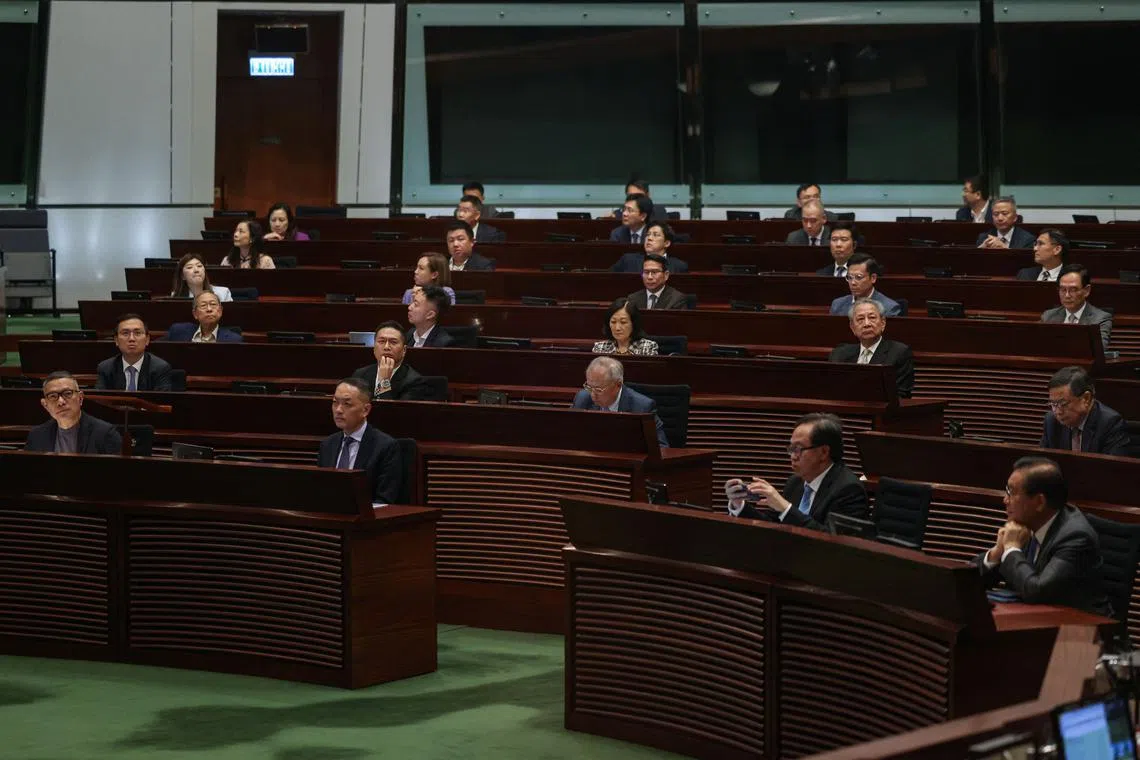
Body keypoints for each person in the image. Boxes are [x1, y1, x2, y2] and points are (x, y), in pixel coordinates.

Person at [976, 457, 1112, 617]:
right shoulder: (1025, 526)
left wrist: (1011, 549)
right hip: (1036, 620)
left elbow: (1038, 592)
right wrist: (997, 553)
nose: (1005, 500)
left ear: (1040, 502)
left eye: (1012, 492)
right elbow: (965, 582)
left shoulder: (1075, 537)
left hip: (1082, 627)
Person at [724, 413, 869, 531]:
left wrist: (786, 508)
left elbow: (834, 542)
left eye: (799, 449)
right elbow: (771, 526)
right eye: (791, 449)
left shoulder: (848, 489)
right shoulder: (795, 482)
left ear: (824, 452)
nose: (793, 456)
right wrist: (739, 505)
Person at [317, 377, 402, 504]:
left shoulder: (386, 447)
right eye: (335, 402)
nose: (338, 410)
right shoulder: (328, 445)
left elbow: (384, 500)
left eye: (347, 404)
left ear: (365, 410)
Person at [571, 356, 669, 449]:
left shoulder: (642, 407)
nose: (593, 395)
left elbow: (661, 448)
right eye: (589, 387)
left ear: (618, 385)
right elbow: (570, 435)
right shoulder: (582, 399)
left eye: (598, 390)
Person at [828, 299, 915, 398]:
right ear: (852, 327)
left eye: (872, 317)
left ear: (883, 323)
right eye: (860, 319)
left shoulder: (899, 353)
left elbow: (901, 395)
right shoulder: (839, 354)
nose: (867, 324)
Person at [25, 371, 122, 454]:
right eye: (53, 396)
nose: (61, 402)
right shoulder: (37, 436)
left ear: (80, 398)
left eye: (67, 393)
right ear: (45, 405)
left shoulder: (105, 434)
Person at [1040, 366, 1128, 456]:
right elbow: (1042, 461)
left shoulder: (1110, 424)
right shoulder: (1051, 421)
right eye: (1053, 404)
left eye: (1062, 404)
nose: (1057, 412)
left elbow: (1111, 464)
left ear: (1086, 398)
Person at [352, 321, 436, 401]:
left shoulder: (415, 382)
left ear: (404, 350)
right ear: (374, 348)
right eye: (381, 341)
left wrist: (384, 381)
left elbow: (392, 411)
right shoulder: (360, 374)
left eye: (393, 342)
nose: (386, 347)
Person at [1041, 264, 1113, 348]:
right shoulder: (1048, 317)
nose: (1067, 295)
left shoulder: (1100, 319)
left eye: (1073, 290)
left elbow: (1098, 349)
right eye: (1063, 289)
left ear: (1086, 290)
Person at [95, 314, 174, 391]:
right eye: (125, 333)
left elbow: (161, 399)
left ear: (147, 339)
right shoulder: (106, 368)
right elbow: (100, 398)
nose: (131, 339)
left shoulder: (160, 368)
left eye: (137, 333)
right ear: (116, 340)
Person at [829, 254, 902, 317]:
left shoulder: (889, 308)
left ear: (873, 278)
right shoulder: (837, 305)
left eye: (858, 277)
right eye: (849, 277)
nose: (853, 283)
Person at [610, 222, 689, 273]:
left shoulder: (679, 266)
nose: (649, 238)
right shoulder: (628, 260)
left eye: (655, 235)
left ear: (666, 243)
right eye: (648, 235)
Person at [165, 291, 243, 343]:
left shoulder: (234, 340)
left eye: (213, 304)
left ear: (220, 311)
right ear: (195, 314)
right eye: (203, 305)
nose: (209, 309)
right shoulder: (178, 331)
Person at [592, 298, 658, 356]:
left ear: (634, 323)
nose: (617, 328)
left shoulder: (647, 347)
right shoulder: (600, 348)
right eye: (613, 322)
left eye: (623, 322)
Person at [626, 254, 690, 311]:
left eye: (654, 272)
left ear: (666, 275)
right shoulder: (633, 299)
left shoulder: (677, 299)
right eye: (646, 272)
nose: (650, 277)